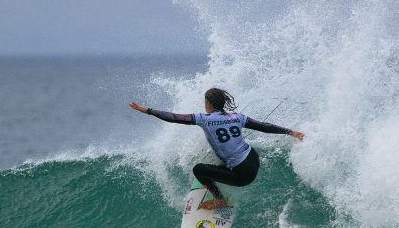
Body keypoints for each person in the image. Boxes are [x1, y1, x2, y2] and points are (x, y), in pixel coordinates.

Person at [130, 88, 305, 210]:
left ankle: (219, 201)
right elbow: (263, 126)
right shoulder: (238, 117)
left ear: (208, 104)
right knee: (219, 159)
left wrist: (148, 110)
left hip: (243, 175)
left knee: (198, 169)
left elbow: (174, 117)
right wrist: (290, 132)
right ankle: (223, 175)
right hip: (253, 159)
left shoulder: (204, 118)